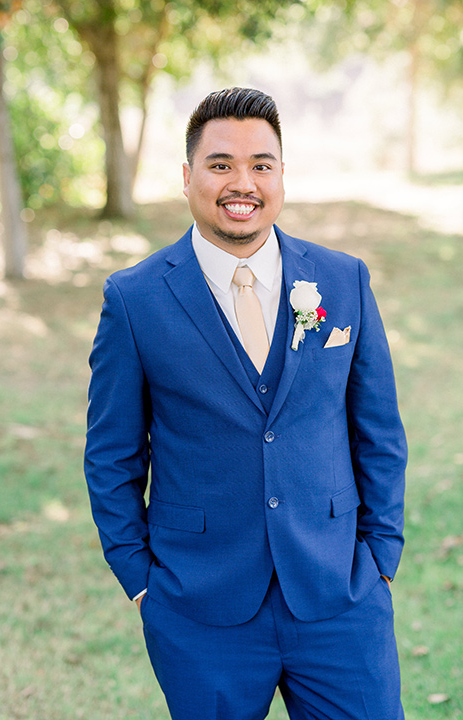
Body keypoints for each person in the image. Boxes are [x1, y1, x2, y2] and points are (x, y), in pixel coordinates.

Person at [84, 87, 407, 720]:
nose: (244, 183)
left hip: (339, 594)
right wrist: (142, 582)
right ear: (187, 177)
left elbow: (379, 433)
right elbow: (111, 454)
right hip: (199, 608)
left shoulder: (344, 281)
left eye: (262, 164)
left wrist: (381, 557)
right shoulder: (135, 299)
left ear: (282, 174)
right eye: (221, 164)